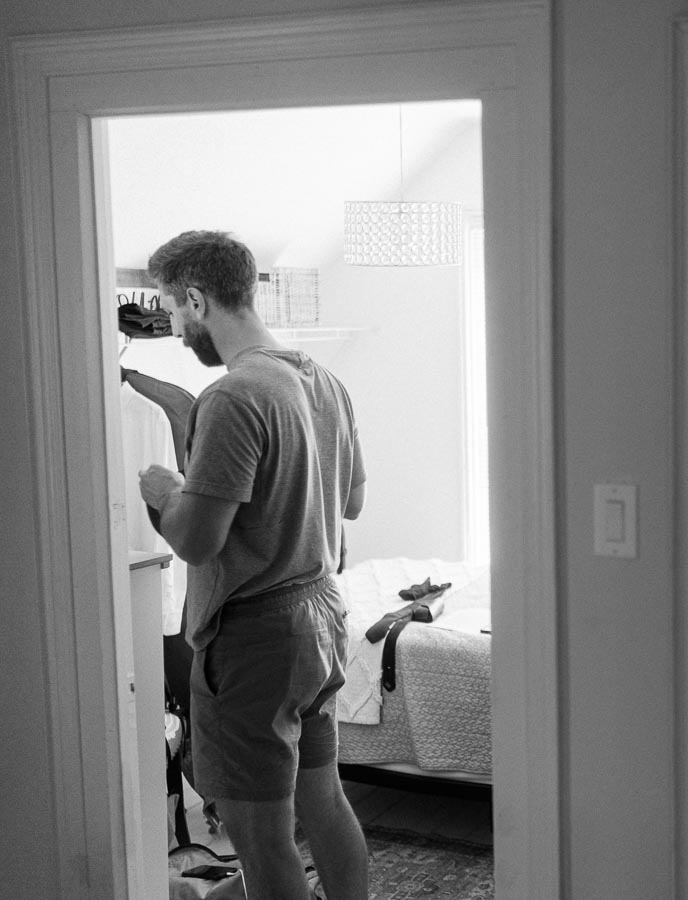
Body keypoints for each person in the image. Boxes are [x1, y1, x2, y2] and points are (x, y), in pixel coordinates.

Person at [138, 231, 369, 900]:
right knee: (322, 799)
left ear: (197, 299)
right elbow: (352, 501)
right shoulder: (322, 380)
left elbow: (196, 540)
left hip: (257, 636)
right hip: (321, 613)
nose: (175, 328)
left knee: (261, 837)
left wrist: (166, 491)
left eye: (172, 309)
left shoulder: (233, 396)